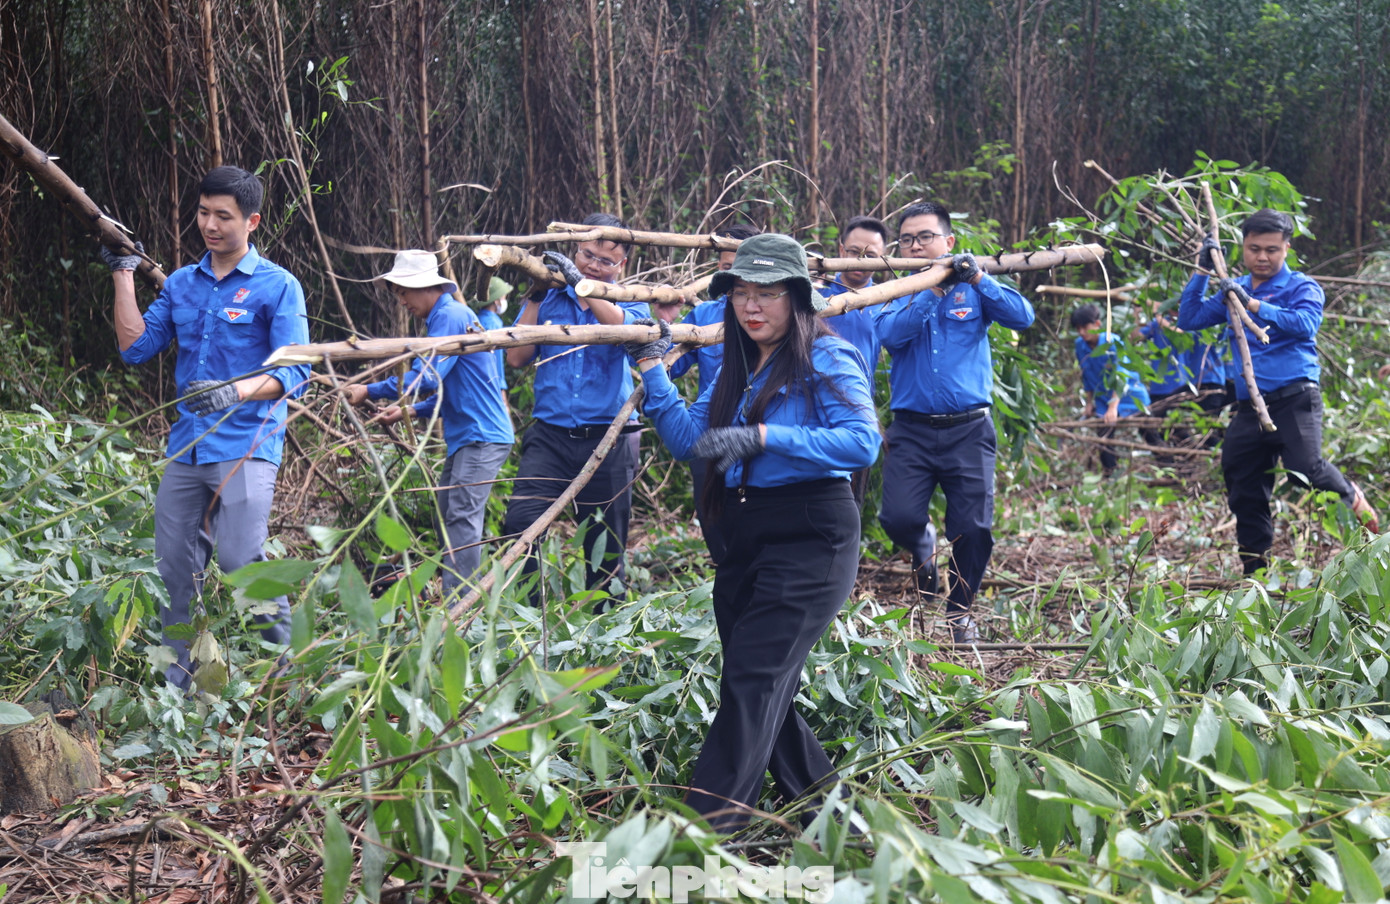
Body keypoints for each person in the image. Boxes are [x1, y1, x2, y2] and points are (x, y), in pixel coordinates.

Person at [623, 232, 879, 831]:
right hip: (743, 535)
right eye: (741, 293)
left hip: (811, 533)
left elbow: (863, 441)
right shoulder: (736, 369)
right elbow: (692, 443)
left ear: (797, 299)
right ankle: (831, 819)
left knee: (751, 678)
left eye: (767, 293)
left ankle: (702, 835)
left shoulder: (828, 357)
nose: (751, 306)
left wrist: (767, 438)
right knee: (765, 684)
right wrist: (651, 369)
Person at [100, 165, 310, 690]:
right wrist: (124, 273)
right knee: (174, 568)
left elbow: (297, 371)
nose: (210, 225)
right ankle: (179, 683)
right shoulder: (182, 285)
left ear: (252, 220)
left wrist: (236, 390)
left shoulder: (278, 286)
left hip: (247, 444)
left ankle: (286, 679)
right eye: (202, 213)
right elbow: (135, 348)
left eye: (223, 216)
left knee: (242, 562)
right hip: (186, 450)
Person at [1177, 208, 1379, 574]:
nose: (1263, 257)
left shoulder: (1301, 286)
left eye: (1272, 249)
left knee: (1306, 471)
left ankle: (1353, 499)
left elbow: (1305, 325)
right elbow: (1188, 319)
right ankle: (1255, 572)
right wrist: (1201, 271)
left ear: (1287, 248)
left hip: (1294, 398)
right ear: (1243, 247)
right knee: (1242, 484)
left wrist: (1252, 304)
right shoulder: (1231, 287)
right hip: (1249, 407)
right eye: (1254, 248)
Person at [874, 201, 1035, 644]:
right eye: (907, 239)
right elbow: (889, 336)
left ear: (949, 242)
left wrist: (978, 278)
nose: (916, 245)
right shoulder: (894, 293)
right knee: (898, 517)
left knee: (974, 527)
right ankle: (924, 544)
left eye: (925, 237)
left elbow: (1023, 317)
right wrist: (930, 291)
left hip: (969, 428)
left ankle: (960, 613)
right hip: (912, 428)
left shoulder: (976, 288)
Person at [345, 251, 514, 600]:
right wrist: (412, 411)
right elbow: (450, 387)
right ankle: (452, 587)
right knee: (445, 514)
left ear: (425, 287)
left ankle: (461, 603)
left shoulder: (450, 316)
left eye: (404, 292)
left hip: (482, 436)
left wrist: (369, 390)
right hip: (469, 435)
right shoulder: (446, 316)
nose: (402, 300)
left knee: (462, 518)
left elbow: (426, 376)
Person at [502, 213, 650, 601]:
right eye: (587, 255)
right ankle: (530, 617)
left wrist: (585, 286)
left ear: (623, 265)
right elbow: (517, 357)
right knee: (520, 524)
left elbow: (626, 335)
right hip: (549, 437)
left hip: (609, 438)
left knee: (605, 547)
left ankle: (604, 633)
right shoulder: (549, 296)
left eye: (605, 261)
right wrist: (535, 293)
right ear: (574, 249)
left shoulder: (627, 301)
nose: (593, 266)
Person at [668, 223, 760, 561]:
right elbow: (672, 367)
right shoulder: (704, 317)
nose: (734, 276)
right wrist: (666, 327)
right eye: (726, 268)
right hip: (712, 433)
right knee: (713, 522)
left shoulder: (774, 314)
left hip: (760, 433)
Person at [820, 215, 889, 508]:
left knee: (850, 502)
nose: (860, 260)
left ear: (884, 257)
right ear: (840, 249)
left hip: (858, 412)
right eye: (853, 252)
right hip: (813, 411)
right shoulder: (816, 296)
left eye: (871, 255)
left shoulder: (886, 300)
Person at [1073, 304, 1152, 475]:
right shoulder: (1080, 345)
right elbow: (1086, 375)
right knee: (1104, 438)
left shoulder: (1113, 342)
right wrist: (1089, 403)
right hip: (1103, 399)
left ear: (1097, 324)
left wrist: (1113, 407)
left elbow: (1120, 375)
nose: (1081, 332)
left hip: (1131, 395)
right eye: (1078, 328)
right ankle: (1111, 475)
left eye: (1085, 327)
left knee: (1149, 432)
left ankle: (1168, 468)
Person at [477, 275, 512, 388]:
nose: (504, 301)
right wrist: (500, 385)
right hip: (492, 381)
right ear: (496, 301)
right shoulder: (493, 323)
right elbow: (496, 359)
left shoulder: (479, 319)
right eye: (503, 298)